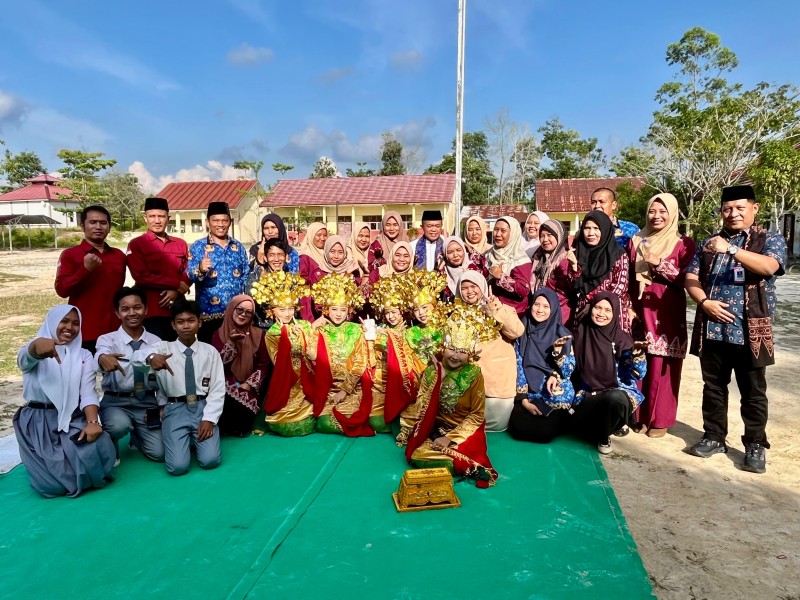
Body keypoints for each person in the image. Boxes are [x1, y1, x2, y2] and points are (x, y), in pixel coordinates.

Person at [685, 185, 787, 474]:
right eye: (728, 208)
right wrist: (704, 302)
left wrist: (731, 249)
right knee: (713, 387)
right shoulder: (708, 242)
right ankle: (714, 436)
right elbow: (691, 277)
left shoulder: (769, 238)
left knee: (753, 391)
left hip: (750, 330)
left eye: (740, 208)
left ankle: (755, 444)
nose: (733, 214)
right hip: (714, 329)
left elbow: (769, 266)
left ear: (754, 209)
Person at [13, 305, 116, 498]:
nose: (70, 327)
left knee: (102, 449)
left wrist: (93, 423)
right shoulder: (34, 347)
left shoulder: (84, 355)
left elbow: (87, 392)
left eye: (76, 323)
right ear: (52, 322)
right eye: (64, 321)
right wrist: (36, 348)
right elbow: (25, 359)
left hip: (72, 417)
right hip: (38, 422)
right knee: (51, 486)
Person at [628, 193, 696, 438]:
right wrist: (627, 305)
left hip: (665, 309)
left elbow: (687, 280)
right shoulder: (636, 240)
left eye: (662, 212)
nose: (656, 216)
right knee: (639, 361)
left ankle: (660, 419)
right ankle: (639, 416)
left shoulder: (683, 244)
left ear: (672, 214)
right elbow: (626, 275)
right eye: (652, 212)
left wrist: (659, 263)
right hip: (638, 307)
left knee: (662, 366)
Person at [402, 318, 498, 488]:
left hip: (465, 431)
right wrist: (437, 382)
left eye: (462, 351)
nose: (455, 355)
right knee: (417, 455)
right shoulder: (432, 371)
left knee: (465, 459)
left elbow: (476, 415)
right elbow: (420, 408)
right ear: (443, 347)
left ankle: (452, 460)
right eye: (451, 349)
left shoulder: (474, 375)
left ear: (470, 354)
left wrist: (449, 438)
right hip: (435, 429)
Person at [140, 300, 224, 475]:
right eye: (180, 321)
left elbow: (217, 389)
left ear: (199, 322)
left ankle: (193, 439)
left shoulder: (210, 352)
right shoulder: (163, 348)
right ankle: (182, 439)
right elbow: (136, 356)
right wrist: (151, 357)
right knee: (177, 467)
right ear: (173, 325)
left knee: (210, 461)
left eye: (191, 320)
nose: (186, 326)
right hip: (174, 409)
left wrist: (209, 419)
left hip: (202, 407)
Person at [571, 292, 647, 455]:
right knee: (574, 428)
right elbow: (571, 367)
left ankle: (604, 437)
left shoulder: (622, 339)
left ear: (615, 313)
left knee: (614, 399)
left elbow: (637, 375)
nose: (601, 314)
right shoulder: (582, 333)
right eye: (598, 308)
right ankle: (611, 426)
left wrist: (638, 357)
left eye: (607, 310)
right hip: (588, 392)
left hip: (618, 391)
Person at [95, 286, 163, 463]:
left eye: (137, 307)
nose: (132, 313)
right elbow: (100, 354)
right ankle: (111, 444)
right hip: (116, 401)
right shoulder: (107, 340)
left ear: (146, 310)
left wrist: (162, 407)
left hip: (147, 401)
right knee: (118, 426)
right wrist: (102, 358)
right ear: (117, 313)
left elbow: (163, 381)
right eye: (125, 309)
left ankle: (138, 436)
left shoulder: (157, 342)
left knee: (160, 453)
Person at [455, 271, 523, 432]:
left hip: (496, 386)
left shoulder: (501, 307)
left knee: (493, 429)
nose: (469, 291)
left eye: (473, 286)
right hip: (467, 385)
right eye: (464, 288)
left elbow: (517, 331)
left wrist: (494, 311)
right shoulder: (458, 314)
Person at [250, 271, 316, 436]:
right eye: (281, 309)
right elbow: (279, 362)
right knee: (284, 422)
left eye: (290, 308)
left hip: (307, 379)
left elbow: (315, 356)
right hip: (287, 382)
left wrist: (304, 337)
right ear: (272, 311)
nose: (287, 313)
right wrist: (286, 335)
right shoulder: (273, 333)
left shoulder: (305, 325)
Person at [54, 204, 127, 353]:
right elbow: (61, 290)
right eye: (93, 222)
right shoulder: (70, 255)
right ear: (83, 226)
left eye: (103, 223)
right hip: (85, 330)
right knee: (84, 375)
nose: (98, 227)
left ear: (109, 226)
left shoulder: (119, 256)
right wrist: (85, 270)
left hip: (115, 330)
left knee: (115, 374)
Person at [307, 273, 373, 436]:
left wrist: (345, 390)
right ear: (326, 309)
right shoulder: (321, 330)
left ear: (349, 310)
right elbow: (310, 355)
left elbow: (360, 362)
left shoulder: (356, 330)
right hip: (327, 390)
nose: (338, 314)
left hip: (351, 390)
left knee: (353, 417)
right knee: (323, 424)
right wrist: (312, 328)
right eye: (334, 309)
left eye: (343, 310)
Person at [508, 288, 576, 444]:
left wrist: (556, 370)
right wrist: (523, 400)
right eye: (536, 304)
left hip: (552, 391)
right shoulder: (522, 329)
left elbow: (569, 369)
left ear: (553, 309)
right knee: (519, 429)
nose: (540, 310)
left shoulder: (562, 334)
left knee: (545, 432)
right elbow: (519, 364)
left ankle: (561, 419)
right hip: (527, 390)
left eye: (546, 306)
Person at [126, 197, 191, 341]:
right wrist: (175, 284)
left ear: (168, 218)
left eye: (161, 216)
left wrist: (177, 290)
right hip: (151, 311)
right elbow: (141, 276)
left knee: (180, 354)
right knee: (154, 355)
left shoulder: (180, 244)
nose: (157, 221)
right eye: (152, 216)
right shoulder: (137, 244)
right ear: (145, 218)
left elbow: (188, 271)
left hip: (178, 310)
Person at [368, 274, 425, 434]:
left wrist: (395, 345)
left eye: (394, 312)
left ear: (402, 311)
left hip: (404, 384)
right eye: (387, 313)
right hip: (381, 385)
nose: (391, 316)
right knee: (377, 422)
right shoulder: (379, 331)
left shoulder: (411, 332)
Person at [187, 201, 250, 343]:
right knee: (211, 358)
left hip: (236, 315)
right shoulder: (198, 246)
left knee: (236, 358)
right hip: (209, 317)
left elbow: (245, 276)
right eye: (215, 220)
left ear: (230, 222)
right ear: (207, 223)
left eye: (224, 220)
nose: (220, 224)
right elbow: (189, 275)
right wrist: (200, 269)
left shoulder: (238, 247)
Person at [211, 295, 270, 437]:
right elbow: (217, 364)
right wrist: (231, 342)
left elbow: (264, 364)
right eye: (239, 310)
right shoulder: (218, 334)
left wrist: (249, 384)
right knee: (226, 404)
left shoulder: (259, 335)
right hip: (224, 382)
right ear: (231, 309)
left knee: (242, 419)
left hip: (248, 385)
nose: (243, 315)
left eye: (248, 312)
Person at [567, 210, 632, 332]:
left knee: (611, 350)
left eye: (596, 228)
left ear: (605, 229)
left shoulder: (618, 255)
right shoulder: (578, 253)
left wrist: (594, 307)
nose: (591, 233)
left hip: (609, 314)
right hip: (583, 314)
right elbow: (573, 287)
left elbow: (619, 288)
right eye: (587, 228)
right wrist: (575, 267)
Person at [299, 234, 359, 321]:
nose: (336, 256)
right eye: (332, 251)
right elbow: (317, 303)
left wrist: (349, 276)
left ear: (345, 253)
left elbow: (356, 300)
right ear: (326, 251)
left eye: (340, 252)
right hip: (324, 321)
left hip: (347, 322)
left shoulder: (351, 270)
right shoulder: (318, 274)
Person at [485, 216, 532, 315]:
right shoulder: (488, 255)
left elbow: (523, 290)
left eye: (503, 231)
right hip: (490, 312)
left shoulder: (520, 260)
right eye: (496, 230)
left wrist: (501, 276)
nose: (498, 234)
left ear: (512, 234)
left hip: (513, 316)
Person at [403, 270, 447, 366]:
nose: (421, 313)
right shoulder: (411, 333)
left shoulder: (446, 328)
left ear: (434, 305)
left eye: (424, 307)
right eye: (416, 310)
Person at [530, 219, 569, 293]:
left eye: (549, 235)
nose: (545, 239)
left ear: (559, 236)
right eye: (542, 236)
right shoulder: (538, 257)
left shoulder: (564, 259)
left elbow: (563, 292)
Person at [441, 236, 478, 301]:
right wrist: (439, 268)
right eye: (450, 252)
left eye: (459, 250)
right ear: (445, 255)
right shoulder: (443, 275)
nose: (455, 255)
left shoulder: (474, 268)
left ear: (464, 250)